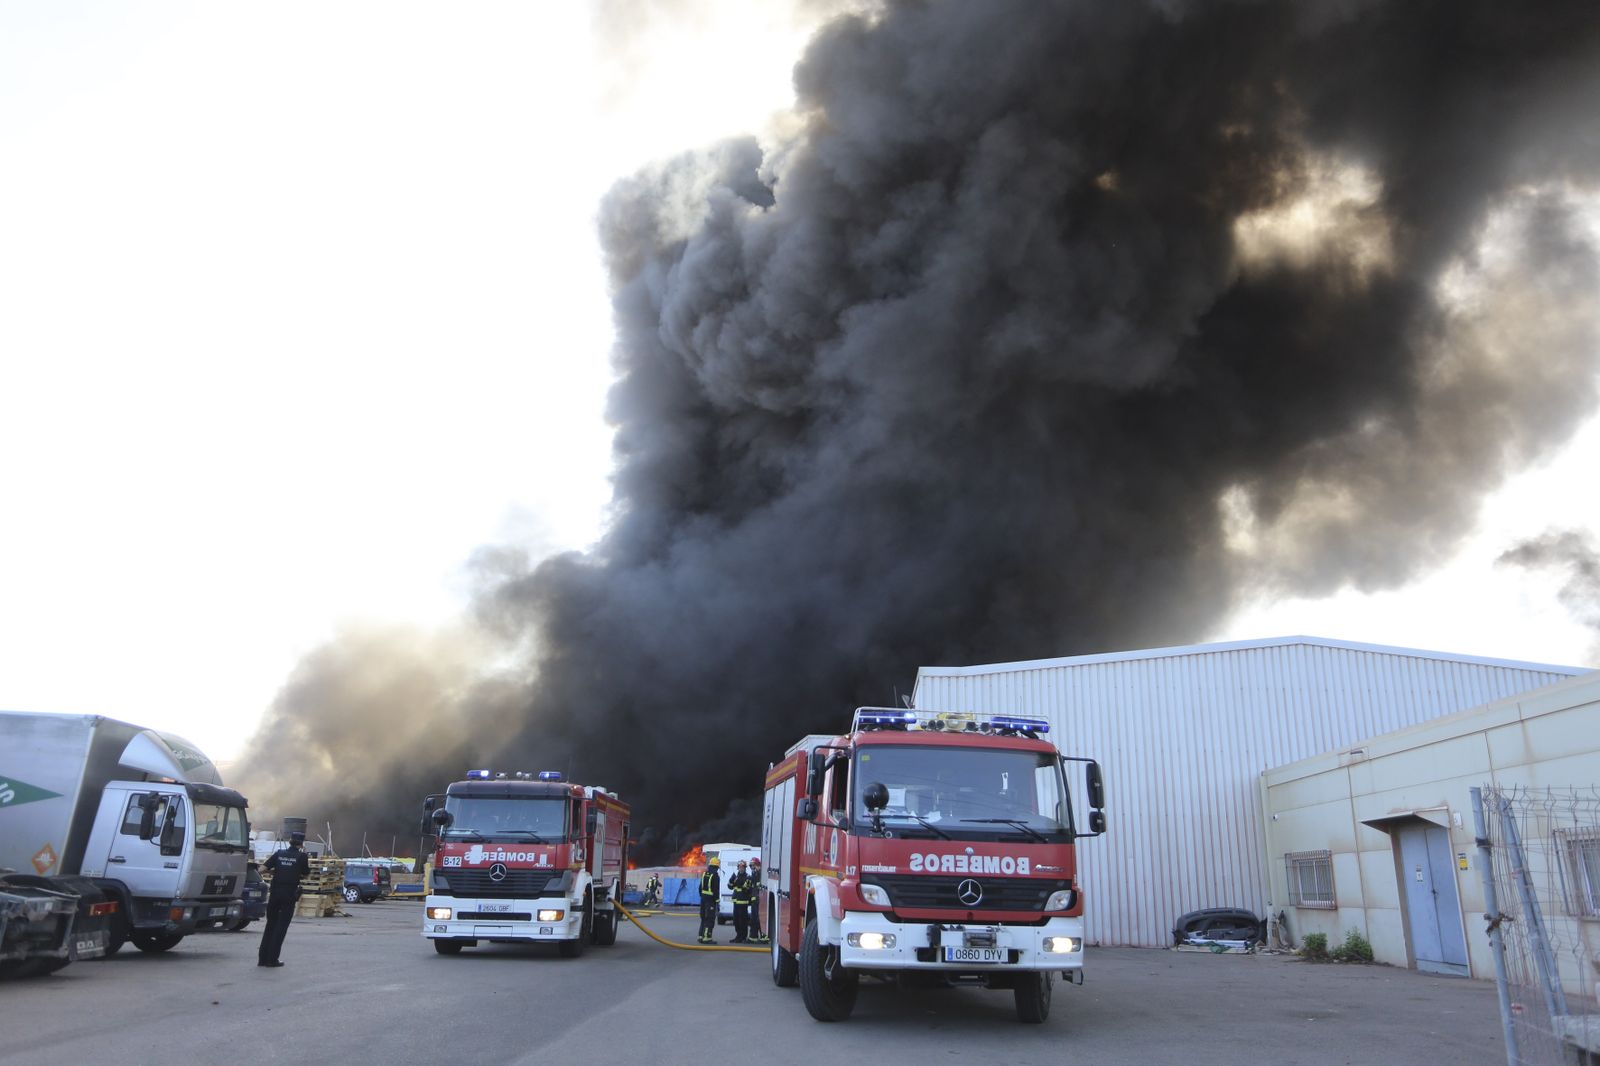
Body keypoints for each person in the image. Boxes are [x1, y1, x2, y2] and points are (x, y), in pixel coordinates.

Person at [257, 831, 311, 967]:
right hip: (289, 895)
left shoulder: (279, 854)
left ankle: (262, 959)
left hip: (275, 894)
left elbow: (261, 869)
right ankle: (272, 959)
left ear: (290, 841)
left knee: (270, 925)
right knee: (281, 927)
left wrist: (274, 871)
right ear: (301, 843)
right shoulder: (302, 856)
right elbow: (305, 875)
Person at [728, 860, 754, 943]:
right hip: (736, 901)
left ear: (745, 868)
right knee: (736, 920)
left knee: (743, 921)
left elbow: (747, 889)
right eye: (740, 867)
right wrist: (731, 881)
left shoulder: (748, 877)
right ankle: (738, 936)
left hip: (743, 902)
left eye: (742, 867)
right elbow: (730, 887)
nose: (741, 868)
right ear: (738, 867)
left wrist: (740, 884)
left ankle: (743, 937)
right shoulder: (736, 876)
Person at [697, 855, 720, 944]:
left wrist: (703, 897)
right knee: (710, 919)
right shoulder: (715, 875)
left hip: (703, 899)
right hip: (710, 901)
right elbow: (715, 889)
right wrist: (717, 902)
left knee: (703, 918)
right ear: (717, 866)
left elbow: (700, 888)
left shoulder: (704, 874)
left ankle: (700, 936)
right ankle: (707, 937)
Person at [748, 857, 768, 942]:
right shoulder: (754, 874)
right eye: (751, 866)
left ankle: (764, 937)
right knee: (753, 919)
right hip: (755, 900)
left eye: (753, 866)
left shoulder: (761, 874)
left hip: (760, 900)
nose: (752, 868)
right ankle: (753, 937)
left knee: (760, 918)